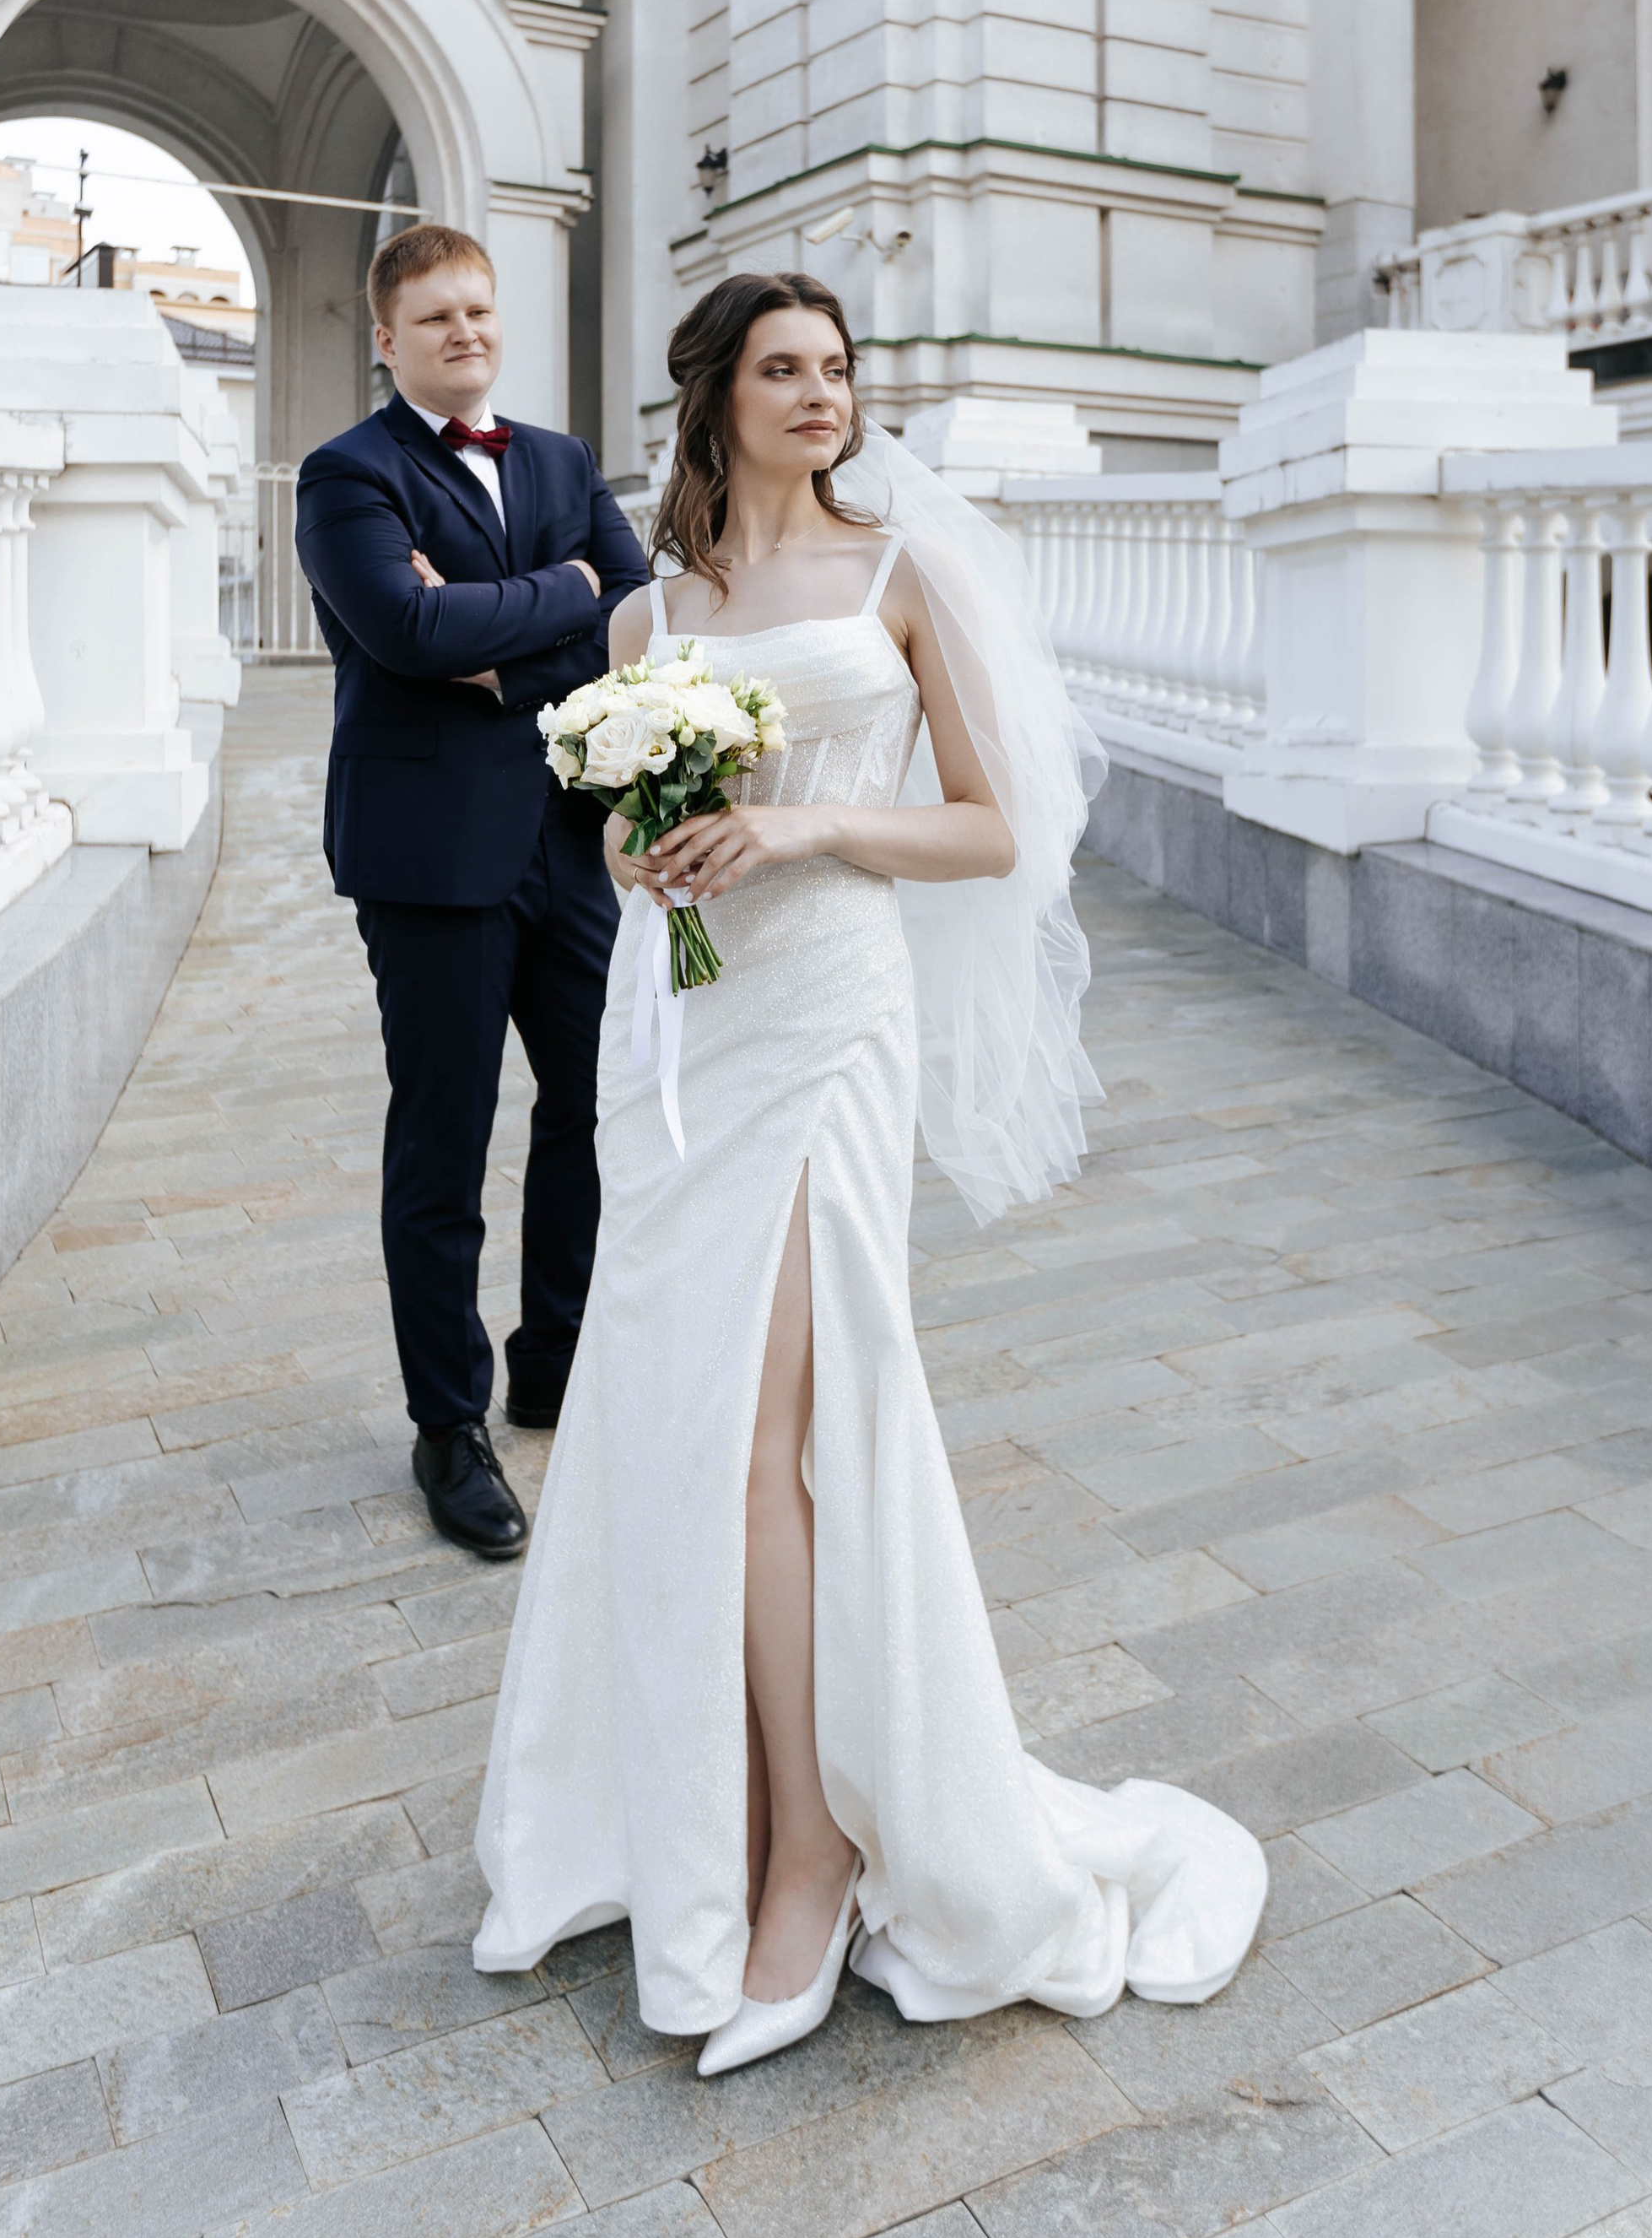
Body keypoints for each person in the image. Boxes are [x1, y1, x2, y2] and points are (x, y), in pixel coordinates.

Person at [472, 269, 1266, 2070]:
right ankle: (700, 1809)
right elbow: (613, 838)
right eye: (784, 369)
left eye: (837, 370)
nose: (820, 395)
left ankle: (815, 1853)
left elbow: (995, 827)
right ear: (719, 396)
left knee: (769, 1436)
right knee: (672, 1423)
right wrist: (648, 845)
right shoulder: (645, 616)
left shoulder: (899, 575)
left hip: (828, 1014)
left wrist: (808, 816)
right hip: (670, 1035)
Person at [294, 224, 648, 1560]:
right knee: (444, 1145)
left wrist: (506, 634)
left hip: (572, 841)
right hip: (432, 860)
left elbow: (641, 610)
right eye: (436, 317)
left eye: (482, 313)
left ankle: (551, 1357)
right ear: (385, 338)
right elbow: (404, 629)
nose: (467, 334)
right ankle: (448, 1426)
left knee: (596, 1103)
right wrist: (559, 596)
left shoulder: (558, 461)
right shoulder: (349, 475)